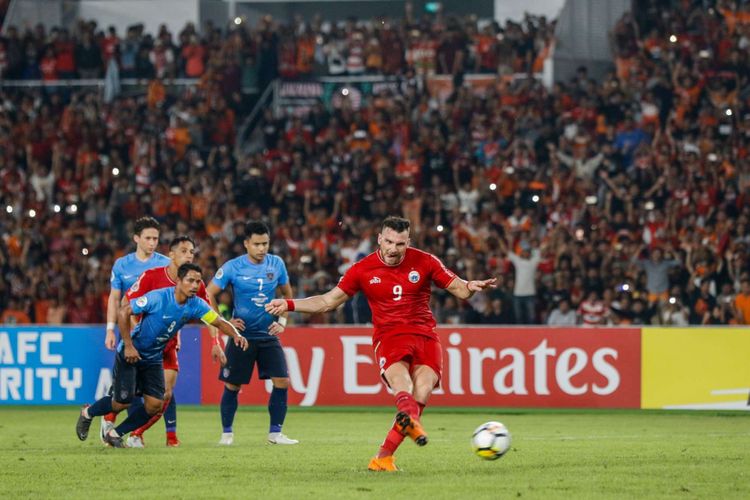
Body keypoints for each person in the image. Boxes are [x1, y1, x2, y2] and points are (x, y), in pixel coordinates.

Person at [265, 216, 497, 472]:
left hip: (425, 335)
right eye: (388, 241)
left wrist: (470, 286)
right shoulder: (362, 269)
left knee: (424, 389)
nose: (393, 249)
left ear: (408, 242)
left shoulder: (426, 261)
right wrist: (288, 304)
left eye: (400, 243)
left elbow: (460, 290)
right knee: (403, 384)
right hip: (390, 336)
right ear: (379, 239)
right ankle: (402, 430)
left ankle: (383, 458)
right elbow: (327, 302)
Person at [76, 263, 248, 448]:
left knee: (155, 405)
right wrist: (128, 345)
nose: (195, 285)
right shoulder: (158, 297)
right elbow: (124, 311)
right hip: (131, 354)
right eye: (190, 280)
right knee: (121, 402)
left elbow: (219, 322)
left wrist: (236, 336)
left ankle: (115, 433)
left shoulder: (196, 305)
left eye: (198, 281)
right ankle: (88, 412)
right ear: (178, 281)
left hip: (153, 358)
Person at [118, 236, 228, 448]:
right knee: (126, 394)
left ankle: (138, 433)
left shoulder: (196, 284)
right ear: (171, 254)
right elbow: (126, 303)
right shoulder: (152, 276)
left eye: (192, 252)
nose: (189, 255)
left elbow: (209, 314)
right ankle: (107, 419)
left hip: (168, 345)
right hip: (144, 344)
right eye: (185, 251)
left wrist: (215, 341)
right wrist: (136, 331)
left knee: (165, 393)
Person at [206, 221, 298, 446]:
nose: (262, 249)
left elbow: (287, 293)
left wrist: (283, 320)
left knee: (282, 381)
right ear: (246, 244)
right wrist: (223, 322)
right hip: (241, 336)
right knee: (232, 386)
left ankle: (275, 434)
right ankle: (226, 434)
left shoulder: (277, 264)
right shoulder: (232, 267)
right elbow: (208, 293)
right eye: (257, 244)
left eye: (265, 243)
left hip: (268, 335)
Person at [101, 216, 170, 442]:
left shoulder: (164, 264)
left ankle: (130, 433)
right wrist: (110, 329)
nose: (152, 243)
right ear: (136, 238)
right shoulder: (122, 264)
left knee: (156, 391)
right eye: (148, 238)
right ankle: (111, 420)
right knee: (128, 390)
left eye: (156, 239)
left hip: (155, 333)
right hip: (128, 332)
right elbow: (115, 298)